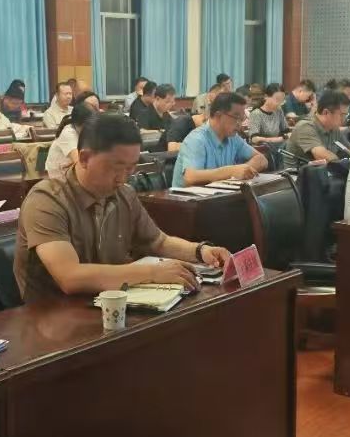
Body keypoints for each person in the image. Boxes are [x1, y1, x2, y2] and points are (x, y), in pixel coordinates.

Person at [15, 114, 231, 302]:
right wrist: (151, 273)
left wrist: (200, 251)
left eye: (131, 168)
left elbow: (157, 241)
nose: (123, 178)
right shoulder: (47, 199)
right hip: (53, 314)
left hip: (110, 303)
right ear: (84, 158)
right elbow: (70, 277)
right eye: (117, 167)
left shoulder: (124, 194)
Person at [171, 93, 269, 187]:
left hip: (218, 195)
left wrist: (244, 170)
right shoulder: (197, 139)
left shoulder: (233, 138)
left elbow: (261, 159)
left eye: (242, 119)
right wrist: (231, 172)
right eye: (236, 118)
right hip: (187, 198)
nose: (239, 124)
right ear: (218, 115)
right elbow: (190, 178)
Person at [285, 89, 350, 163]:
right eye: (342, 115)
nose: (344, 119)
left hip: (325, 169)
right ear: (326, 112)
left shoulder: (333, 128)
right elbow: (324, 157)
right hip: (299, 170)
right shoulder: (305, 127)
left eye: (346, 115)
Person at [45, 103, 95, 182]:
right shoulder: (68, 133)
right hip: (60, 178)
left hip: (72, 174)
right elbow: (79, 163)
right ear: (77, 123)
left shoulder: (87, 130)